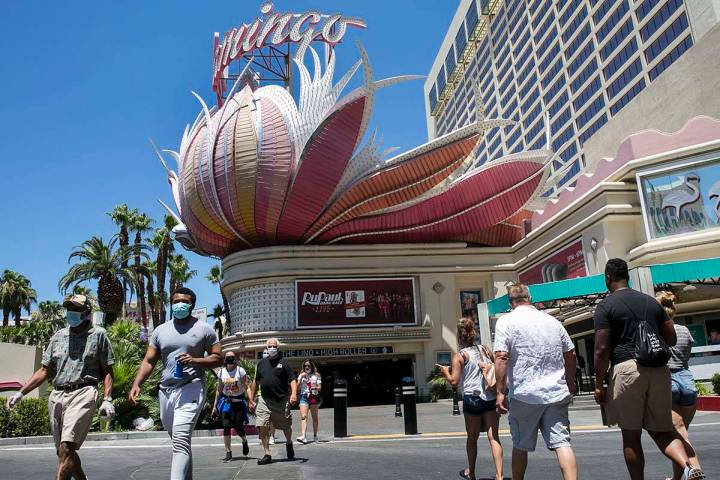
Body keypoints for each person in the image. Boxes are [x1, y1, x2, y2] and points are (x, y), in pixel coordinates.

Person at [593, 259, 704, 480]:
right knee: (663, 430)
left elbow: (602, 350)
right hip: (658, 370)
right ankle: (688, 466)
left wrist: (599, 384)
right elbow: (671, 339)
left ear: (608, 277)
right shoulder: (651, 303)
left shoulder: (606, 306)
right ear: (627, 276)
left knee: (631, 435)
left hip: (627, 369)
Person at [7, 294, 115, 480]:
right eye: (69, 309)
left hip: (84, 392)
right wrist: (21, 392)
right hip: (57, 395)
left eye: (76, 309)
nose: (71, 313)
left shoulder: (98, 334)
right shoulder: (59, 336)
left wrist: (107, 399)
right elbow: (44, 370)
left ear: (86, 312)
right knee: (63, 452)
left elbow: (107, 369)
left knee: (67, 447)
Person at [129, 287, 221, 480]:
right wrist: (137, 383)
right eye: (176, 301)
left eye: (184, 302)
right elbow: (149, 361)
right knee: (180, 442)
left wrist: (195, 361)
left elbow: (217, 358)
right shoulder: (161, 330)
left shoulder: (205, 329)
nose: (179, 304)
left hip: (192, 387)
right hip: (166, 391)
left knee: (180, 439)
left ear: (191, 305)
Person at [494, 283, 578, 480]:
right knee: (562, 443)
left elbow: (501, 357)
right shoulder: (551, 321)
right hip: (556, 392)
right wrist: (570, 382)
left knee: (520, 445)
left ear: (510, 302)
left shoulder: (506, 321)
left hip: (524, 393)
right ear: (529, 298)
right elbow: (571, 352)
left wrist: (500, 392)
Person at [437, 317, 503, 480]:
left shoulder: (460, 356)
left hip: (472, 399)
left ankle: (471, 472)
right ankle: (499, 475)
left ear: (459, 336)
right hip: (489, 396)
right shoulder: (486, 350)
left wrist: (445, 371)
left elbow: (454, 381)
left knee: (472, 438)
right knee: (493, 436)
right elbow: (495, 371)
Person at [657, 291, 703, 480]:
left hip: (669, 382)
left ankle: (696, 469)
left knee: (680, 435)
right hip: (687, 381)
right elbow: (686, 356)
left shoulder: (657, 331)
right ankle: (677, 477)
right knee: (681, 433)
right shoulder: (684, 330)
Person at [247, 338, 298, 465]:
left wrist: (294, 394)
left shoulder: (284, 363)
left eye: (274, 346)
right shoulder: (261, 363)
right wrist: (251, 399)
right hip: (264, 400)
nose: (272, 348)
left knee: (286, 426)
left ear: (278, 347)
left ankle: (289, 442)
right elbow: (256, 382)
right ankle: (267, 454)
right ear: (266, 348)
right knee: (262, 425)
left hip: (281, 400)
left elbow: (292, 379)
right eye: (269, 346)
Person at [212, 351, 250, 462]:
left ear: (235, 358)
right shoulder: (221, 372)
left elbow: (246, 386)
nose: (230, 359)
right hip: (226, 402)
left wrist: (250, 400)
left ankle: (244, 440)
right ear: (225, 359)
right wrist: (215, 406)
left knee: (238, 426)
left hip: (238, 402)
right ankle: (228, 452)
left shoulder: (240, 370)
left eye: (232, 357)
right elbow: (219, 390)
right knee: (226, 426)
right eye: (228, 357)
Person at [296, 359, 322, 444]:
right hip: (304, 396)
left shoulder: (316, 375)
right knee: (303, 416)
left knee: (315, 418)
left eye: (308, 366)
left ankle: (315, 436)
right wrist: (300, 379)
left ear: (312, 366)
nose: (307, 367)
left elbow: (319, 387)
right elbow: (297, 387)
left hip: (313, 396)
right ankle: (303, 436)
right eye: (305, 366)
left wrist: (314, 387)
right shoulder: (301, 375)